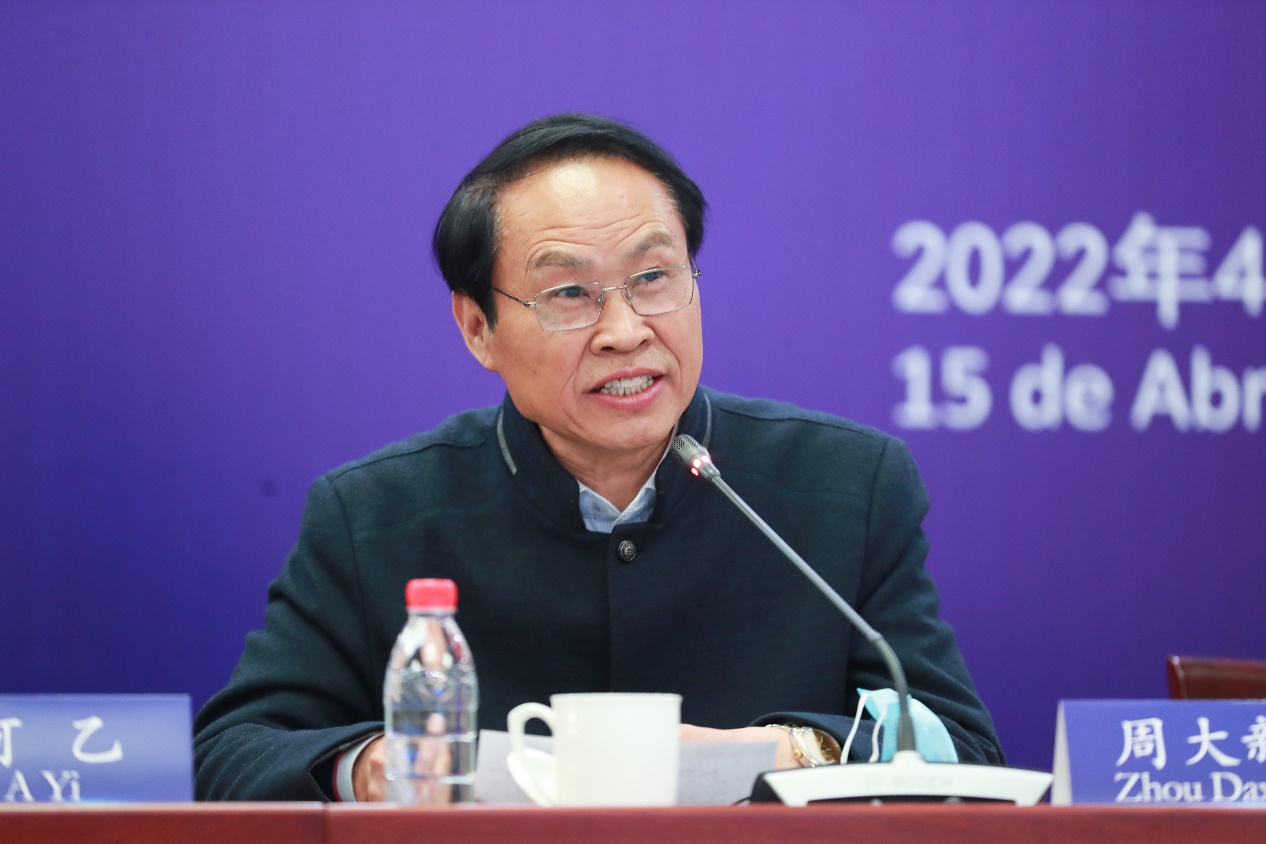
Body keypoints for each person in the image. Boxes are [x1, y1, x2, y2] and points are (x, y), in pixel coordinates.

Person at [193, 113, 1003, 802]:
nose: (625, 330)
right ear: (477, 328)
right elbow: (231, 754)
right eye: (570, 294)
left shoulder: (846, 485)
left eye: (654, 277)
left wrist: (788, 752)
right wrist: (380, 766)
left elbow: (963, 749)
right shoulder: (376, 514)